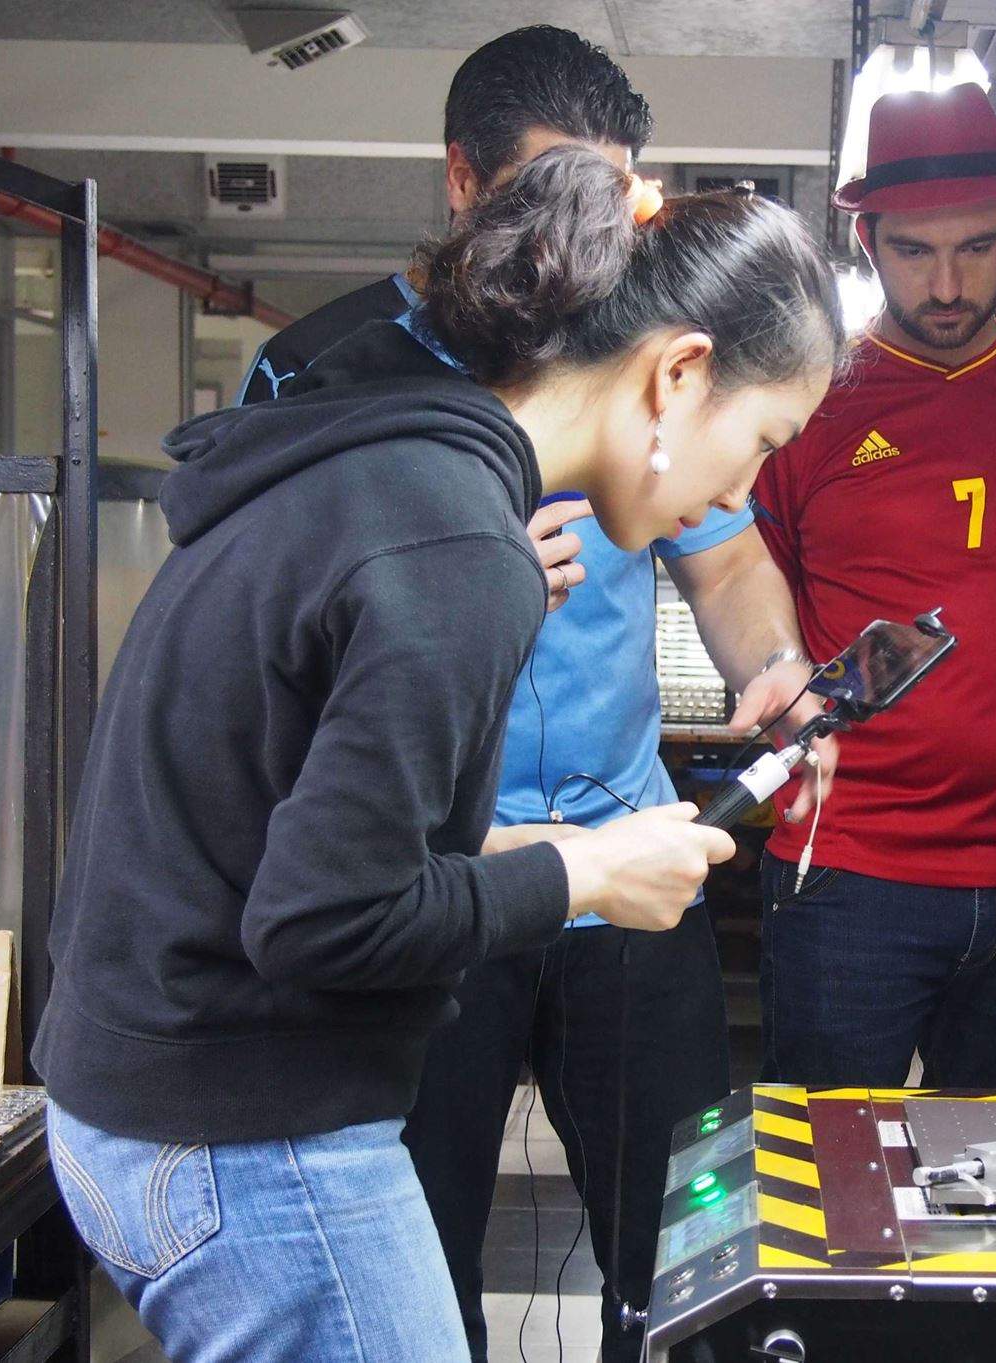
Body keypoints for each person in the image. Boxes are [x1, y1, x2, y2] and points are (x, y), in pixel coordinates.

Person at [33, 144, 845, 1363]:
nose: (744, 491)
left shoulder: (387, 460)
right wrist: (583, 875)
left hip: (141, 1101)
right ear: (679, 372)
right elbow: (322, 919)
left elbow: (292, 833)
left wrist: (528, 846)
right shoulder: (462, 548)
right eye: (765, 439)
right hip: (247, 1136)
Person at [235, 30, 833, 1361]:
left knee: (689, 1254)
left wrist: (774, 666)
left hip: (627, 855)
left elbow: (728, 558)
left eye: (612, 203)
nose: (586, 242)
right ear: (463, 182)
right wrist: (459, 560)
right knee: (417, 1257)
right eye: (549, 193)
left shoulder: (635, 349)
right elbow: (267, 645)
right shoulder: (327, 371)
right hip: (428, 882)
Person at [751, 83, 996, 1090]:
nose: (947, 284)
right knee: (824, 1165)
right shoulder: (810, 405)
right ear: (866, 240)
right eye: (914, 251)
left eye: (977, 247)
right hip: (849, 870)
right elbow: (748, 603)